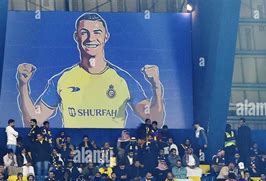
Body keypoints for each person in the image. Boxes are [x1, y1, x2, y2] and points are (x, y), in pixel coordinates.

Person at [17, 12, 164, 128]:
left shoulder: (124, 80)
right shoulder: (62, 80)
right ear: (77, 37)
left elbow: (153, 119)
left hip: (111, 153)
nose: (90, 38)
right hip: (76, 154)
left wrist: (156, 86)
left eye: (97, 32)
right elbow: (33, 121)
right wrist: (23, 86)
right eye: (84, 32)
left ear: (106, 36)